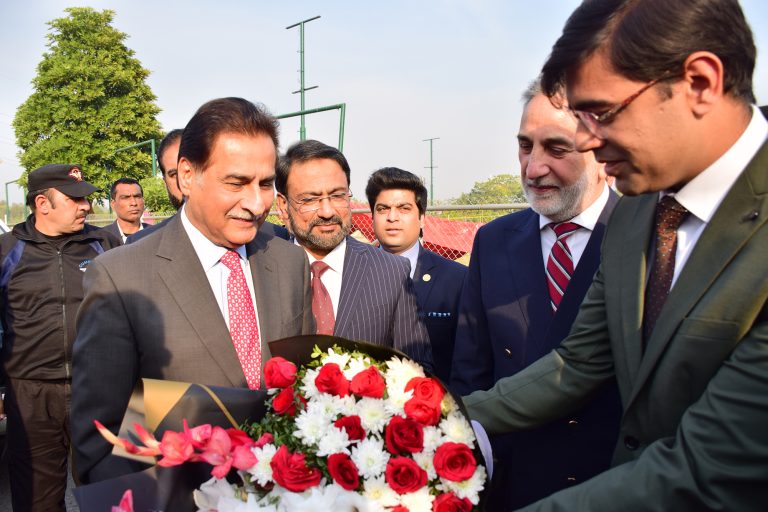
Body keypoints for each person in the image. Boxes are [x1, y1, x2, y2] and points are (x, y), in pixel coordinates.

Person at [464, 1, 768, 510]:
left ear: (699, 83)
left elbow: (706, 469)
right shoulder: (637, 213)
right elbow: (578, 362)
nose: (586, 140)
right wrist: (436, 415)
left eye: (600, 114)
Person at [71, 97, 314, 484]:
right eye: (236, 183)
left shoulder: (289, 262)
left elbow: (302, 392)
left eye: (266, 184)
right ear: (187, 175)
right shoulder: (121, 277)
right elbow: (101, 444)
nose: (256, 203)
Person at [451, 80, 620, 509]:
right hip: (515, 480)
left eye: (556, 149)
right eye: (525, 146)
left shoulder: (643, 234)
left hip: (614, 481)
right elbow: (472, 366)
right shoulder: (493, 241)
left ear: (602, 153)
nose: (533, 169)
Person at [0, 164, 119, 511]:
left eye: (87, 199)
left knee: (109, 495)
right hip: (30, 395)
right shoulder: (7, 250)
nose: (86, 207)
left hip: (97, 390)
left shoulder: (105, 244)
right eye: (75, 199)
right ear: (43, 204)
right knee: (37, 500)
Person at [276, 140, 433, 371]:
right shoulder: (261, 269)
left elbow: (416, 370)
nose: (327, 211)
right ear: (283, 206)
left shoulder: (391, 272)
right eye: (310, 199)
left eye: (338, 196)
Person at [365, 167, 465, 382]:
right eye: (383, 209)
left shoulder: (458, 280)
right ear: (372, 216)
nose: (392, 217)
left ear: (421, 218)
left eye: (404, 208)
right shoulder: (354, 274)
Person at [129, 129, 289, 243]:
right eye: (174, 174)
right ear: (165, 181)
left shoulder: (276, 238)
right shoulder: (140, 247)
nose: (185, 180)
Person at [101, 178, 149, 243]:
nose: (133, 203)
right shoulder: (101, 239)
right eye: (125, 198)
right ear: (113, 204)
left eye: (137, 196)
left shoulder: (157, 233)